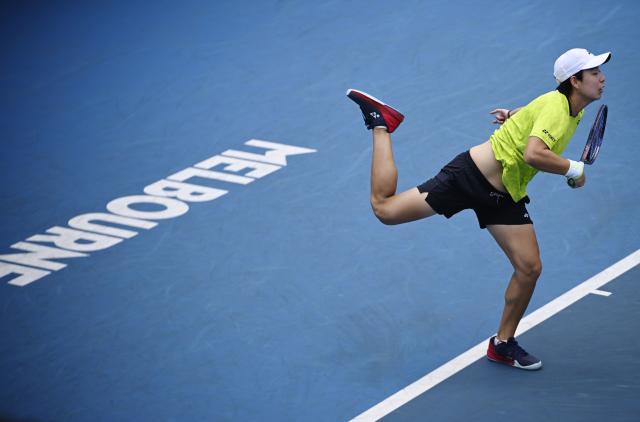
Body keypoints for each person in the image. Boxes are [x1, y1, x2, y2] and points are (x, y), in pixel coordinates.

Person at [346, 48, 610, 370]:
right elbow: (533, 154)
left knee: (529, 268)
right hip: (469, 178)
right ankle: (381, 123)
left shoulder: (569, 107)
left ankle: (502, 344)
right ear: (575, 80)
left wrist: (514, 115)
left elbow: (536, 108)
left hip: (505, 194)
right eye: (594, 72)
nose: (602, 77)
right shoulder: (558, 108)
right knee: (385, 210)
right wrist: (573, 170)